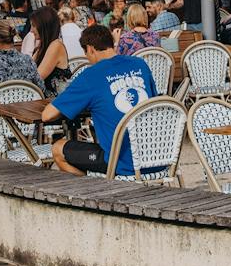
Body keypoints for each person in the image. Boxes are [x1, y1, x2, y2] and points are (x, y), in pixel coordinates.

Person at [41, 23, 156, 176]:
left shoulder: (91, 75)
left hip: (122, 163)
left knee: (58, 149)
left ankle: (94, 193)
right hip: (157, 157)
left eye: (86, 53)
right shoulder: (140, 64)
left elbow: (47, 115)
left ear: (90, 49)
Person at [27, 5, 72, 88]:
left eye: (33, 25)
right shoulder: (43, 46)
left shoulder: (56, 45)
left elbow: (37, 79)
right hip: (44, 98)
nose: (31, 30)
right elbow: (28, 69)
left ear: (44, 26)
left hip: (56, 99)